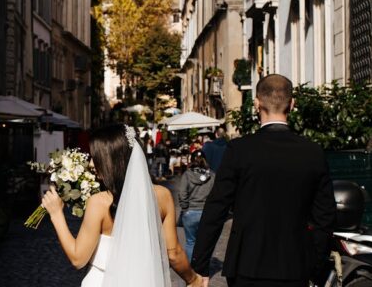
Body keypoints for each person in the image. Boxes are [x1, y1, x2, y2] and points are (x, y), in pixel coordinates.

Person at [190, 74, 336, 287]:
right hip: (294, 266)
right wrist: (316, 262)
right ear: (292, 104)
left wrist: (200, 265)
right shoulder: (312, 152)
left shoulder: (239, 150)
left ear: (256, 104)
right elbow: (325, 216)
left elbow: (216, 208)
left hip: (247, 265)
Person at [41, 124, 203, 287]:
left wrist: (56, 214)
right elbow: (173, 253)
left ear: (111, 161)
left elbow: (78, 258)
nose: (91, 164)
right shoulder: (162, 196)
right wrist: (193, 279)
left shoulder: (99, 202)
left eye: (96, 157)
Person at [178, 150, 215, 258]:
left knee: (190, 242)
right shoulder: (212, 175)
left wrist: (185, 208)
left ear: (191, 160)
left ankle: (191, 270)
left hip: (190, 212)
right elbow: (215, 194)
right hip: (206, 212)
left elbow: (182, 193)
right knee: (205, 243)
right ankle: (202, 269)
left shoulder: (187, 175)